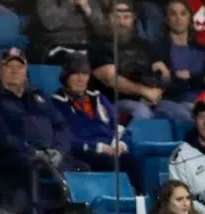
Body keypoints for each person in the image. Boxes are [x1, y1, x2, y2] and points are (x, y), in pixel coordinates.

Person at [0, 48, 78, 214]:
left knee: (81, 170)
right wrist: (33, 153)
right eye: (9, 66)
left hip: (51, 158)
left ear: (26, 71)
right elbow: (0, 135)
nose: (15, 70)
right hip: (16, 160)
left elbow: (62, 127)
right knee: (31, 172)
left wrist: (59, 150)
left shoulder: (39, 95)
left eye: (19, 66)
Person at [90, 1, 191, 123]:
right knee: (142, 113)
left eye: (126, 17)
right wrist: (145, 91)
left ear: (133, 19)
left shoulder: (144, 45)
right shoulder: (99, 45)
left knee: (183, 114)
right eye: (116, 17)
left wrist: (158, 90)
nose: (121, 22)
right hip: (115, 102)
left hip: (150, 99)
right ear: (108, 20)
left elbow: (163, 72)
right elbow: (110, 79)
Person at [52, 53, 139, 188]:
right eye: (76, 74)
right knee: (110, 162)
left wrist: (120, 143)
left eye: (85, 74)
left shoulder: (98, 98)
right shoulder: (57, 103)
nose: (81, 79)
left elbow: (119, 128)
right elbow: (65, 139)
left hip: (111, 150)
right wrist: (99, 148)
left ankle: (137, 202)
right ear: (66, 77)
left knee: (134, 159)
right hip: (83, 154)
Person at [157, 0, 205, 111]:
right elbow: (163, 84)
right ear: (167, 19)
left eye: (183, 13)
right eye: (173, 14)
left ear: (189, 18)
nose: (179, 18)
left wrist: (189, 76)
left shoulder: (203, 50)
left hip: (201, 101)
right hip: (172, 102)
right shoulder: (159, 50)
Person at [29, 0, 109, 64]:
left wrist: (87, 8)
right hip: (58, 46)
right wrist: (70, 3)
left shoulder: (93, 2)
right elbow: (51, 23)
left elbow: (102, 29)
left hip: (88, 47)